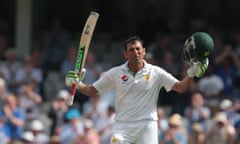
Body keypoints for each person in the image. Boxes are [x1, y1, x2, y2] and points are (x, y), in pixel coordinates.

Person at [65, 34, 211, 144]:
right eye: (131, 50)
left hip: (147, 125)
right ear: (125, 54)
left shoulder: (156, 72)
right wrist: (78, 84)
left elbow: (180, 87)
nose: (135, 53)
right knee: (116, 140)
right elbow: (91, 90)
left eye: (138, 49)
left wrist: (191, 74)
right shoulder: (116, 73)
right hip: (123, 125)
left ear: (144, 51)